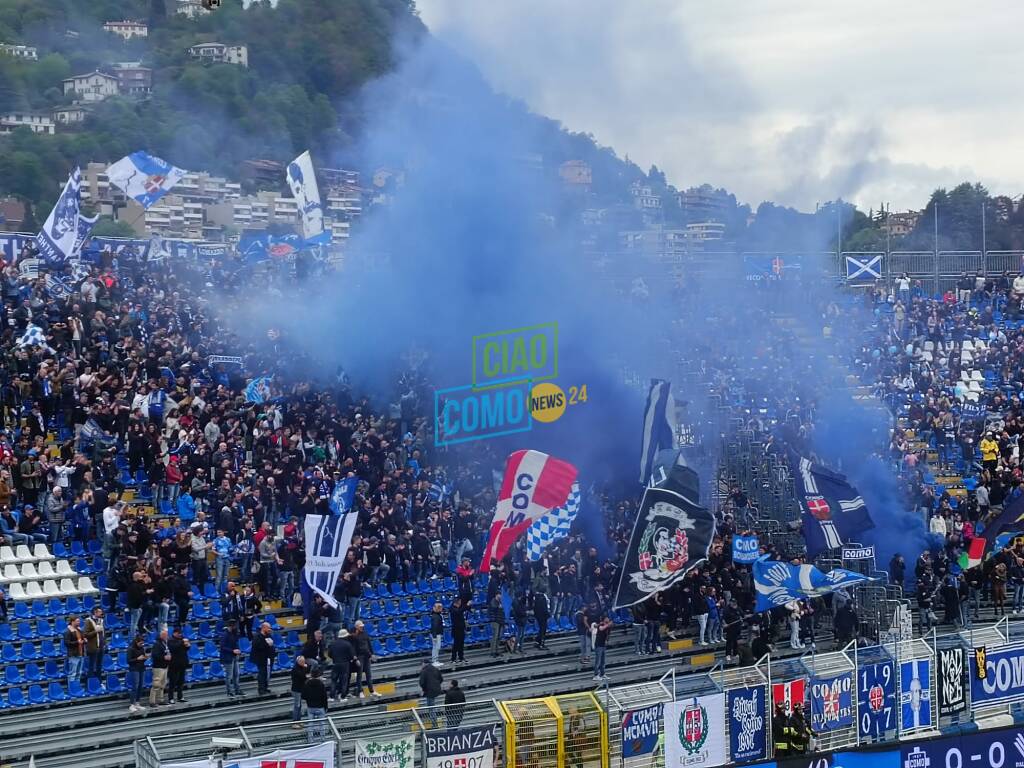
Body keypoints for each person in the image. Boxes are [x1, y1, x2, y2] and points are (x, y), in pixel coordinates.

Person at [351, 620, 380, 698]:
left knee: (368, 674)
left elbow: (369, 644)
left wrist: (372, 654)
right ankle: (360, 691)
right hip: (360, 656)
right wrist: (355, 658)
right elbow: (353, 647)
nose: (362, 627)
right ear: (356, 627)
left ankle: (372, 691)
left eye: (362, 626)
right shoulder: (354, 636)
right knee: (359, 675)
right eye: (360, 626)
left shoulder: (365, 634)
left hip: (367, 656)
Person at [303, 665, 329, 744]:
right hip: (320, 707)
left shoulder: (307, 683)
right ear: (318, 675)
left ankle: (310, 740)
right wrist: (326, 706)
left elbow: (303, 695)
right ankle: (322, 740)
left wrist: (308, 700)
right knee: (322, 724)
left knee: (310, 724)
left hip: (310, 706)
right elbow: (324, 697)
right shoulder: (321, 684)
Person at [328, 628, 355, 701]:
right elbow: (352, 655)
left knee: (334, 680)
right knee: (344, 681)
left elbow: (329, 654)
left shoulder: (333, 643)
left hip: (335, 663)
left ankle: (331, 696)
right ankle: (342, 696)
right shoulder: (347, 644)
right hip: (345, 664)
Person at [219, 619, 244, 699]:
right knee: (229, 676)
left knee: (236, 674)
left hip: (234, 656)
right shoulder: (225, 634)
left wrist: (238, 650)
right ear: (231, 626)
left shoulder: (234, 634)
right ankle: (229, 691)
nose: (236, 627)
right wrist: (232, 650)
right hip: (227, 657)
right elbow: (222, 647)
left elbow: (235, 643)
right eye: (234, 626)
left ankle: (237, 689)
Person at [167, 625, 190, 703]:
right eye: (179, 633)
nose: (180, 635)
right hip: (174, 664)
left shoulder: (182, 639)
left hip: (182, 664)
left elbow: (185, 649)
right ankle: (171, 698)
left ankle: (180, 697)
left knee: (181, 681)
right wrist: (182, 642)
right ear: (174, 633)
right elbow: (174, 648)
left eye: (181, 633)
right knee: (173, 682)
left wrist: (187, 645)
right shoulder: (170, 640)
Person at [251, 621, 276, 695]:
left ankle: (265, 687)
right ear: (263, 627)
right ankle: (261, 689)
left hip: (269, 658)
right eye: (268, 628)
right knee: (262, 674)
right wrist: (266, 644)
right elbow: (257, 646)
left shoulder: (269, 635)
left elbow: (271, 645)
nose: (269, 629)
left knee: (267, 674)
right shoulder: (257, 636)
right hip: (261, 659)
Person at [418, 657, 444, 727]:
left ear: (424, 663)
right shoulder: (435, 669)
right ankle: (434, 723)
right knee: (432, 706)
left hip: (429, 691)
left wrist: (424, 690)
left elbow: (421, 682)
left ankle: (434, 724)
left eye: (422, 664)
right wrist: (437, 685)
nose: (421, 665)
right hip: (436, 689)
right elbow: (441, 679)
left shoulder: (424, 671)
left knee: (431, 708)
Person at [83, 606, 106, 680]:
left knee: (99, 665)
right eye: (99, 612)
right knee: (92, 665)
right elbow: (85, 634)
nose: (101, 613)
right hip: (93, 647)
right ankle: (90, 682)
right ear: (95, 612)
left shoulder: (101, 620)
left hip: (101, 646)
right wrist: (95, 631)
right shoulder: (88, 621)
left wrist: (105, 643)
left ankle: (99, 681)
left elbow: (103, 633)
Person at [127, 634, 148, 714]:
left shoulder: (142, 648)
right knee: (135, 685)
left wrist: (145, 658)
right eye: (140, 643)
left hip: (141, 668)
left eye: (142, 643)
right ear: (136, 641)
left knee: (140, 686)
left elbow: (142, 657)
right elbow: (128, 661)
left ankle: (137, 702)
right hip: (134, 669)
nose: (141, 645)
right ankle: (132, 704)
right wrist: (137, 659)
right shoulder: (130, 649)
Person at [150, 627, 171, 707]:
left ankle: (160, 699)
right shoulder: (157, 644)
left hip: (165, 666)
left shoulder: (164, 643)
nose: (167, 636)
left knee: (163, 684)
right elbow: (155, 655)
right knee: (156, 684)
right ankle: (152, 701)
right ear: (162, 635)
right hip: (158, 667)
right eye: (165, 635)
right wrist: (164, 657)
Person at [64, 615, 86, 684]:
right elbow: (67, 643)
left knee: (79, 673)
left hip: (81, 653)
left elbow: (82, 639)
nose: (79, 622)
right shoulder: (67, 631)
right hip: (73, 655)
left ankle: (77, 686)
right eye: (77, 621)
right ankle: (72, 687)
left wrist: (84, 640)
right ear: (72, 622)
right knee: (73, 673)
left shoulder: (79, 630)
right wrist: (77, 642)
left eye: (79, 621)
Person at [290, 655, 311, 729]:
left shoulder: (302, 667)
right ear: (298, 662)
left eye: (304, 661)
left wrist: (306, 668)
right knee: (297, 706)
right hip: (296, 690)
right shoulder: (295, 669)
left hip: (301, 689)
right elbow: (303, 676)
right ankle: (295, 722)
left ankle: (299, 720)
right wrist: (305, 671)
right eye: (302, 661)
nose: (304, 663)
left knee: (299, 706)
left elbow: (308, 671)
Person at [592, 614, 612, 681]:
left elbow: (608, 634)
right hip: (598, 645)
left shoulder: (608, 626)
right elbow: (601, 629)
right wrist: (607, 625)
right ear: (604, 619)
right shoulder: (601, 624)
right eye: (607, 618)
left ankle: (602, 674)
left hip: (603, 645)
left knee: (603, 661)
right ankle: (595, 675)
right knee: (598, 661)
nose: (608, 619)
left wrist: (607, 640)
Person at [449, 596, 468, 665]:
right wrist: (466, 605)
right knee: (456, 644)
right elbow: (459, 612)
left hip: (461, 628)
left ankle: (461, 657)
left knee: (461, 644)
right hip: (456, 629)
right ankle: (453, 658)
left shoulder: (458, 608)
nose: (460, 603)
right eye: (459, 602)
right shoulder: (453, 609)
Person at [429, 601, 444, 666]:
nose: (441, 609)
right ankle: (434, 661)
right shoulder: (435, 616)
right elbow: (434, 627)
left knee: (437, 647)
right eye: (440, 608)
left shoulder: (437, 615)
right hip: (436, 634)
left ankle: (436, 660)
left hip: (437, 634)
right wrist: (434, 636)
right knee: (436, 647)